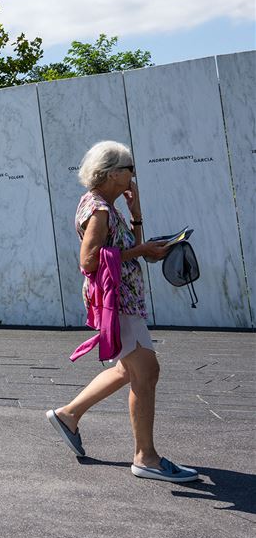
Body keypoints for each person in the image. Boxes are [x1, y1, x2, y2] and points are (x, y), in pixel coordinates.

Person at [46, 141, 197, 483]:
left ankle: (68, 415)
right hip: (118, 301)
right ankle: (146, 458)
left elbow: (133, 249)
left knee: (128, 370)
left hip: (124, 299)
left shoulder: (108, 207)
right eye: (130, 168)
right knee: (147, 371)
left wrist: (138, 215)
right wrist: (139, 249)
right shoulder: (98, 208)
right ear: (113, 172)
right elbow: (89, 260)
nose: (133, 175)